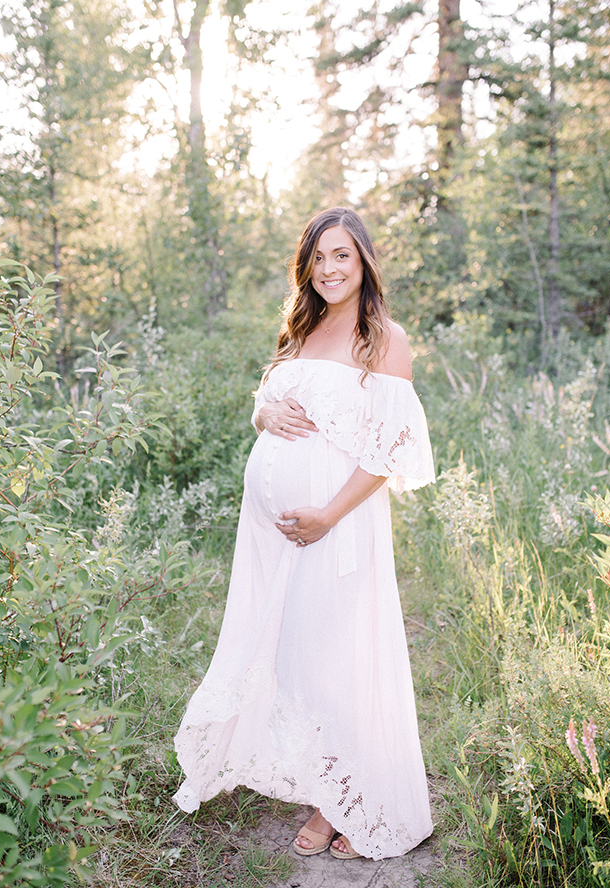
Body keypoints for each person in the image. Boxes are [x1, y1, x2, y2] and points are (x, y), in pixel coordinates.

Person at [173, 207, 435, 861]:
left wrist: (327, 515)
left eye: (341, 255)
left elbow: (389, 451)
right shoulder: (302, 327)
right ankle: (328, 782)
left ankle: (337, 806)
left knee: (337, 661)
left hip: (337, 529)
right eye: (318, 258)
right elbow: (269, 403)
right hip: (272, 544)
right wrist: (263, 412)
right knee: (298, 658)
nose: (328, 270)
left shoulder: (385, 340)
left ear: (364, 262)